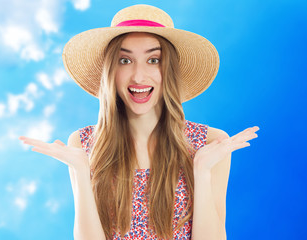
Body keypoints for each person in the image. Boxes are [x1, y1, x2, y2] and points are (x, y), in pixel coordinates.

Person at [19, 4, 259, 240]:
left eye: (153, 60)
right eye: (125, 60)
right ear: (111, 71)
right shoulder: (82, 144)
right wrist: (81, 171)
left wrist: (202, 171)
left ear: (170, 70)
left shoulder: (210, 143)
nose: (139, 76)